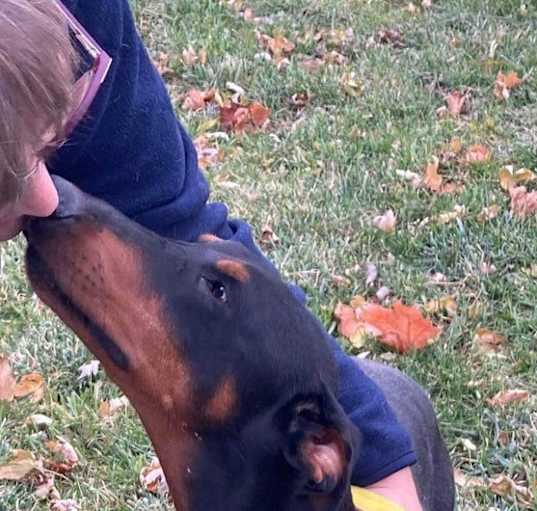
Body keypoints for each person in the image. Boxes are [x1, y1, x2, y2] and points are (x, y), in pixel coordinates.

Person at [0, 1, 423, 509]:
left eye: (48, 147)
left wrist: (385, 462)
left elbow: (172, 221)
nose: (52, 196)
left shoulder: (84, 13)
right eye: (9, 172)